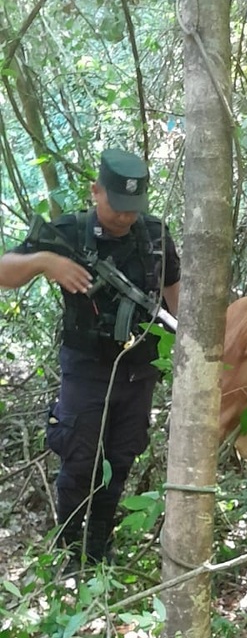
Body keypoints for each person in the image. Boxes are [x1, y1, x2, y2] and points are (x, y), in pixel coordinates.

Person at [0, 148, 180, 562]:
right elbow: (6, 270)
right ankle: (68, 550)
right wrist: (48, 262)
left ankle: (99, 548)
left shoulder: (154, 234)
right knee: (80, 459)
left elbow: (175, 293)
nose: (125, 217)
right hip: (85, 369)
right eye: (118, 207)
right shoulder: (70, 232)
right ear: (96, 191)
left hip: (139, 371)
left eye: (133, 208)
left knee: (120, 458)